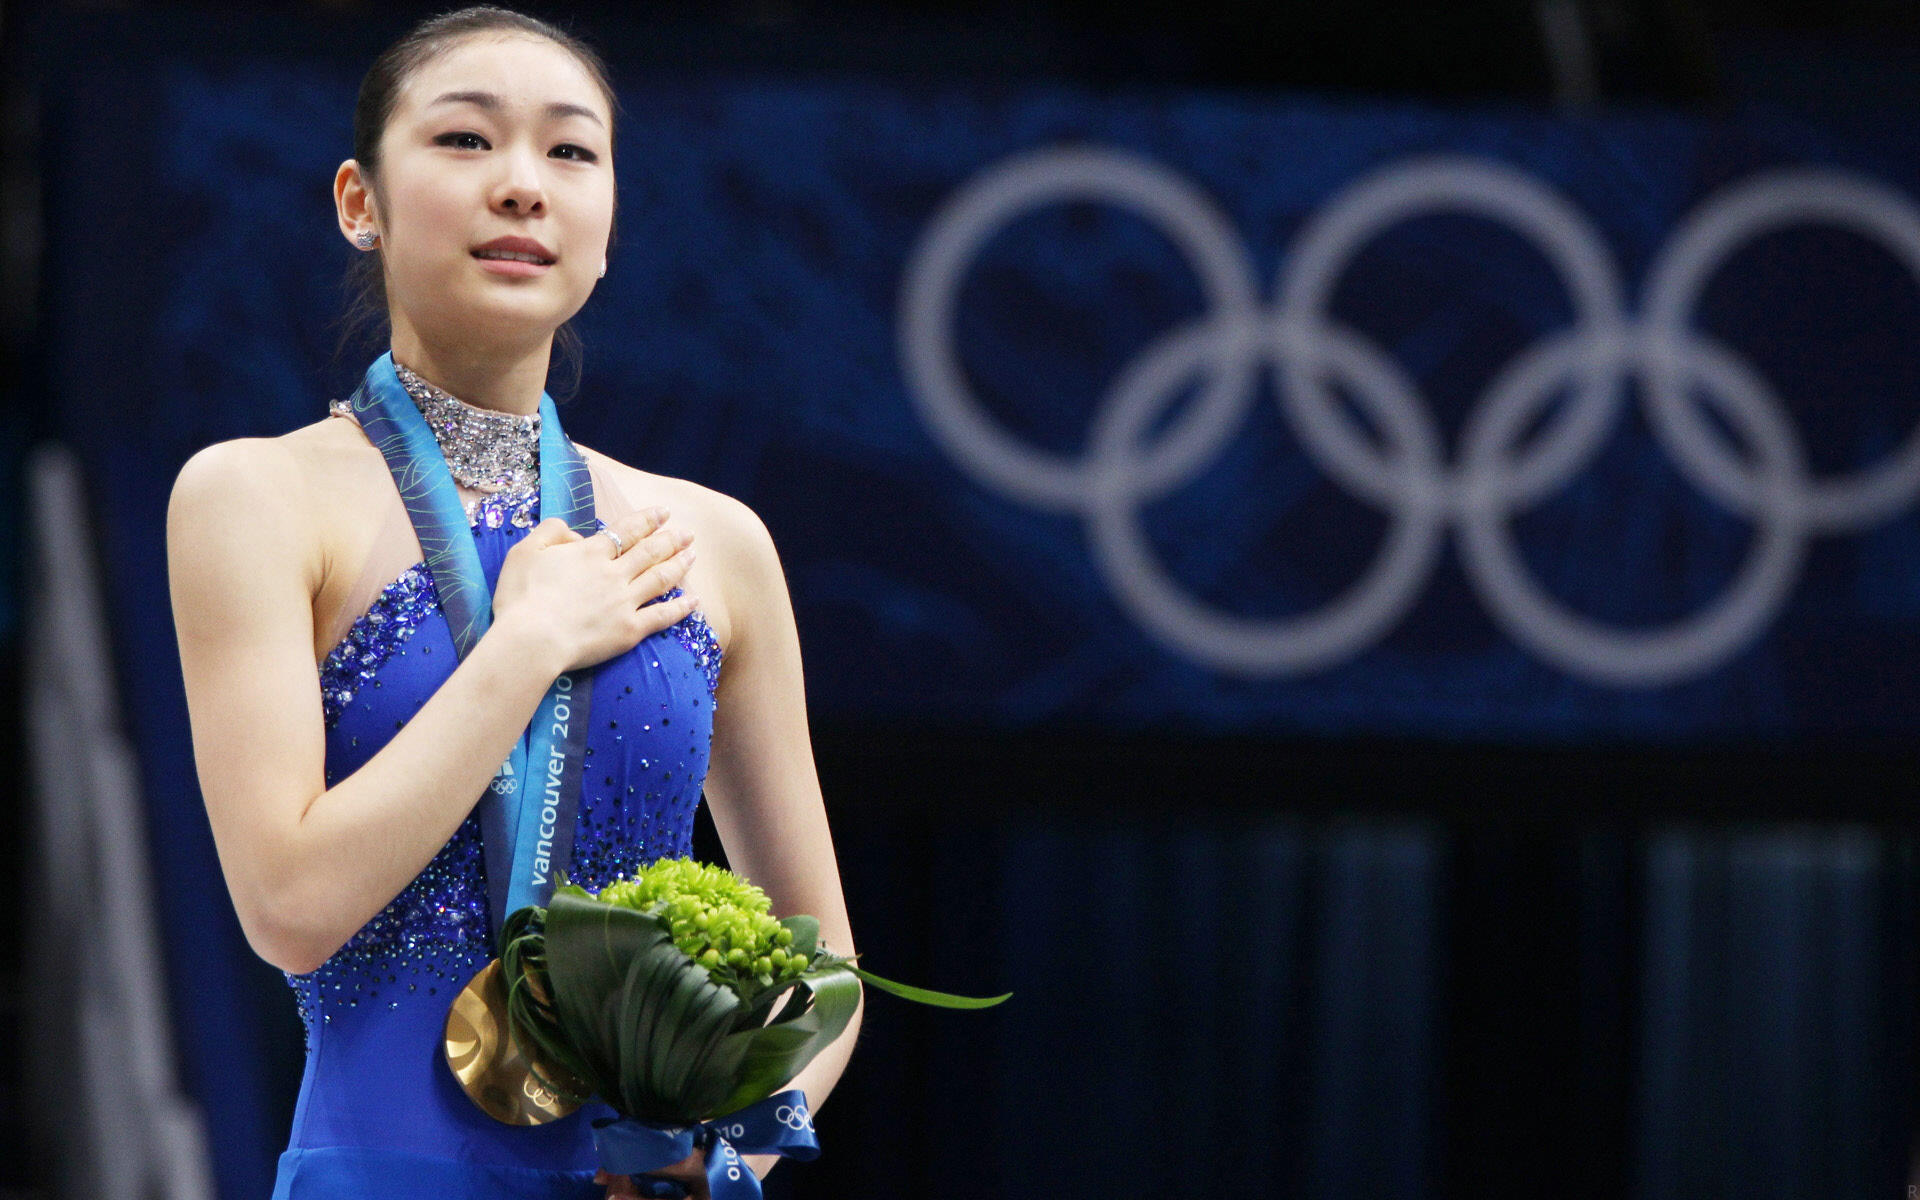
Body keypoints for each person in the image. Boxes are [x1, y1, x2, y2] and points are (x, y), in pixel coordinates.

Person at [165, 7, 862, 1197]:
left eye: (570, 150)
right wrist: (527, 641)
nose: (524, 185)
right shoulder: (254, 497)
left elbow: (825, 962)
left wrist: (726, 1150)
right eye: (466, 140)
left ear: (609, 224)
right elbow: (290, 906)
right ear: (360, 202)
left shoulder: (715, 543)